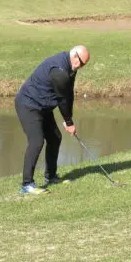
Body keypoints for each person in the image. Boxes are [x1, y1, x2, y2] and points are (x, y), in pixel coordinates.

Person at [15, 45, 90, 195]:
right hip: (28, 105)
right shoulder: (59, 71)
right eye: (81, 63)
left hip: (43, 106)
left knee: (55, 138)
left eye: (83, 65)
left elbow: (68, 95)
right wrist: (68, 122)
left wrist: (70, 120)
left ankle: (51, 176)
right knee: (36, 141)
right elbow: (62, 100)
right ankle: (27, 185)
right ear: (75, 55)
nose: (81, 67)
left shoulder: (70, 68)